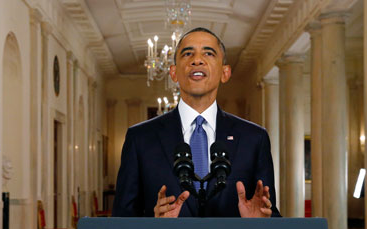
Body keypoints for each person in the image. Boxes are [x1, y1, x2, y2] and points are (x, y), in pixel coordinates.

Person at [112, 27, 280, 218]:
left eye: (208, 53)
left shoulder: (254, 138)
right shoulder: (140, 138)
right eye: (188, 53)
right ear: (173, 73)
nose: (197, 60)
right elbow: (122, 222)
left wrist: (260, 223)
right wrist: (153, 226)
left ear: (225, 73)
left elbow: (270, 214)